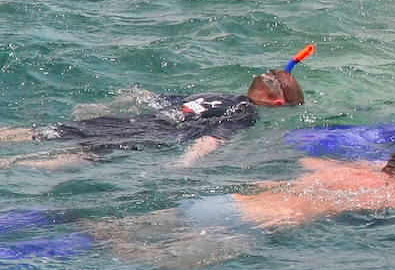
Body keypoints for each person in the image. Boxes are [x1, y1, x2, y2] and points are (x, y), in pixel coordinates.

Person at [83, 146, 395, 269]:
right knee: (170, 264)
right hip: (252, 225)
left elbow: (308, 158)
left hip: (222, 202)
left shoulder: (347, 173)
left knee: (123, 227)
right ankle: (101, 247)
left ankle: (88, 230)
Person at [0, 65, 307, 170]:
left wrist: (101, 108)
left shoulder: (216, 95)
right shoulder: (244, 113)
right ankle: (12, 165)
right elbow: (211, 138)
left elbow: (147, 96)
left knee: (46, 131)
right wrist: (183, 164)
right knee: (86, 156)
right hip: (148, 135)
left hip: (133, 121)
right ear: (277, 103)